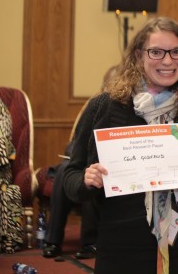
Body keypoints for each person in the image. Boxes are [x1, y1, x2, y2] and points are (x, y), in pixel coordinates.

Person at [63, 17, 178, 274]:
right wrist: (86, 179)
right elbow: (69, 179)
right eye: (156, 52)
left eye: (176, 52)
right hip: (119, 246)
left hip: (175, 246)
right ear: (139, 55)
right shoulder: (105, 107)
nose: (167, 60)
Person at [42, 65, 120, 259]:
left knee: (91, 175)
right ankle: (53, 240)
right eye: (108, 86)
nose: (111, 90)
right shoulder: (95, 106)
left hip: (110, 170)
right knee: (65, 171)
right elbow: (75, 143)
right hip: (80, 165)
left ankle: (90, 242)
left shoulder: (126, 110)